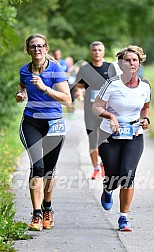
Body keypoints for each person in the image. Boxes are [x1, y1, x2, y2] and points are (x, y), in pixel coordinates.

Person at [16, 33, 71, 231]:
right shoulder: (24, 70)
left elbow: (67, 99)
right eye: (33, 46)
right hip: (31, 122)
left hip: (54, 122)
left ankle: (48, 208)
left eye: (40, 46)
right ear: (28, 50)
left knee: (49, 169)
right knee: (37, 166)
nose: (37, 49)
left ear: (46, 49)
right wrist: (22, 94)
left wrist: (45, 88)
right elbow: (23, 85)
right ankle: (37, 214)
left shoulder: (56, 69)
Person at [92, 45, 151, 231]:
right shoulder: (112, 84)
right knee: (112, 175)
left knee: (127, 174)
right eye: (128, 60)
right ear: (121, 63)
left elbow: (146, 107)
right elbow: (96, 107)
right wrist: (111, 116)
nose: (131, 63)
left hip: (134, 135)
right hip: (110, 135)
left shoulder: (145, 86)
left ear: (139, 63)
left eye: (135, 60)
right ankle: (108, 189)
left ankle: (123, 217)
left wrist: (146, 119)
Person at [75, 41, 116, 179]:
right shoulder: (85, 69)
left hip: (106, 111)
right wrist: (79, 92)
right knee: (92, 139)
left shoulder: (110, 68)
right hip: (90, 110)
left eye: (99, 50)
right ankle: (96, 168)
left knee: (106, 140)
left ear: (103, 52)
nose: (97, 52)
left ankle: (104, 164)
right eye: (94, 50)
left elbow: (116, 87)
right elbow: (79, 86)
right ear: (90, 52)